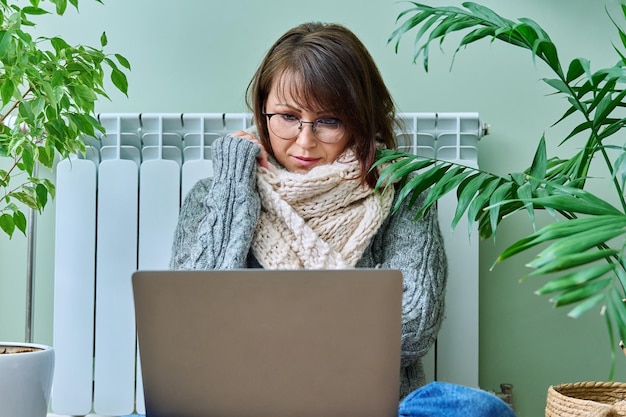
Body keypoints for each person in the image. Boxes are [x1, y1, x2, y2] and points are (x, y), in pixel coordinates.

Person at [169, 21, 516, 417]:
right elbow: (192, 321)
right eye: (286, 116)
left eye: (329, 121)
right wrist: (234, 188)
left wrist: (264, 337)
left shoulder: (404, 197)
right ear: (262, 111)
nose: (304, 141)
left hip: (370, 405)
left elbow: (414, 323)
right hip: (240, 403)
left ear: (360, 120)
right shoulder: (213, 196)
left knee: (477, 409)